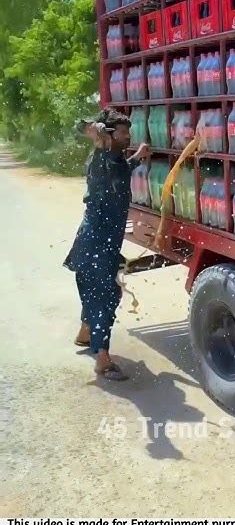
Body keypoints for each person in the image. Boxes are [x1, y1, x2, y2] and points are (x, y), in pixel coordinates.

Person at [64, 107, 149, 380]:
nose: (128, 137)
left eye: (129, 133)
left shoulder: (115, 159)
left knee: (93, 289)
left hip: (96, 240)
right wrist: (95, 131)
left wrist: (138, 158)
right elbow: (82, 125)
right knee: (107, 295)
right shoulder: (102, 155)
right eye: (124, 133)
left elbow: (122, 170)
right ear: (109, 135)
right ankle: (102, 359)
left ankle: (85, 332)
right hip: (98, 241)